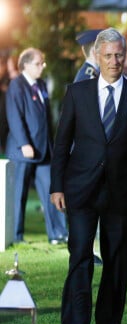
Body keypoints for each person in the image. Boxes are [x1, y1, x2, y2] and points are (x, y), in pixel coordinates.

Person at [50, 28, 127, 324]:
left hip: (121, 191)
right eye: (108, 55)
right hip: (80, 189)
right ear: (97, 57)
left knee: (115, 259)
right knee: (80, 256)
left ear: (126, 56)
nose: (114, 61)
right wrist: (57, 186)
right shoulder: (77, 92)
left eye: (119, 55)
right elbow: (62, 145)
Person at [5, 48, 68, 244]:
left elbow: (46, 118)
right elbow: (14, 116)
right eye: (38, 63)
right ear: (26, 65)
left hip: (44, 149)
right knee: (19, 195)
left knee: (52, 190)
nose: (43, 66)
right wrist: (24, 143)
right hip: (22, 150)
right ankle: (16, 235)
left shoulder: (40, 84)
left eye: (43, 63)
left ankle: (57, 233)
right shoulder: (16, 85)